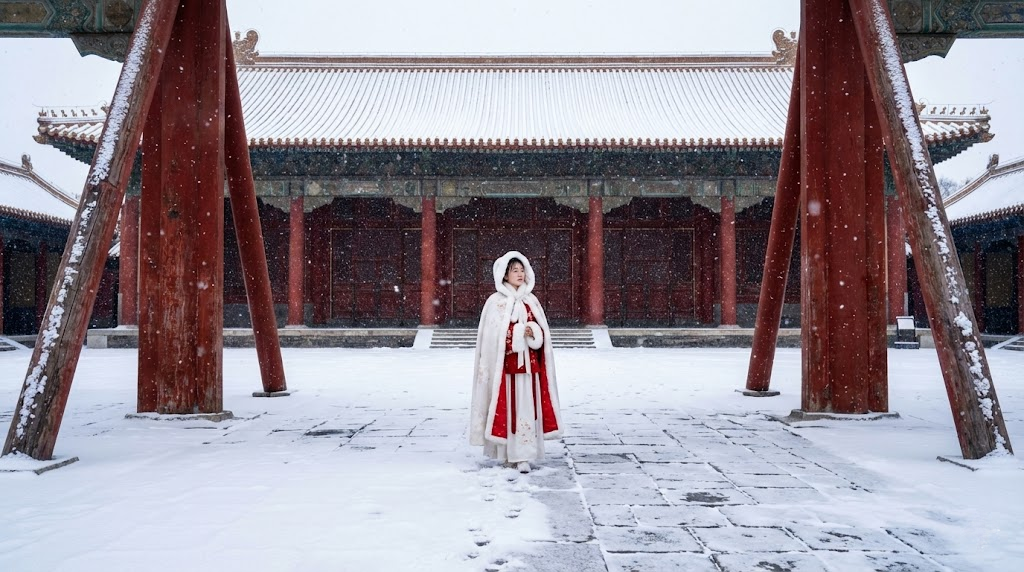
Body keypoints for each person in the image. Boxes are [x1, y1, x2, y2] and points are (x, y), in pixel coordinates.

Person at [469, 251, 562, 473]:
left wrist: (534, 332)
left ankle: (524, 455)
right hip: (506, 368)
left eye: (522, 270)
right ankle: (506, 453)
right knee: (505, 409)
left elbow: (542, 335)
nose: (519, 274)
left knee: (527, 409)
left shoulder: (532, 301)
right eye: (515, 271)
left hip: (530, 367)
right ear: (504, 275)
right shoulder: (495, 302)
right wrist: (517, 332)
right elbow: (492, 337)